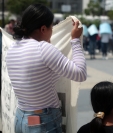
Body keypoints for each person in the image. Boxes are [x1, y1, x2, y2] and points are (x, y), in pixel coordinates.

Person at [6, 4, 86, 133]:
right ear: (43, 29)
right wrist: (75, 40)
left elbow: (43, 78)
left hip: (21, 119)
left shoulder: (12, 49)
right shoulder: (42, 49)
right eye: (51, 27)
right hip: (42, 122)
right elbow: (80, 74)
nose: (52, 32)